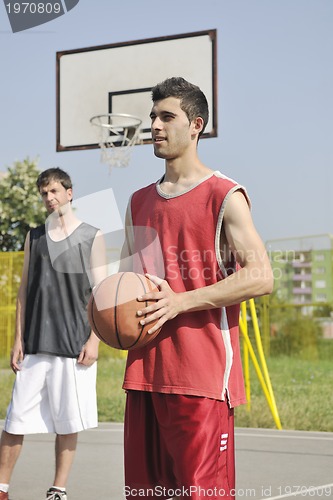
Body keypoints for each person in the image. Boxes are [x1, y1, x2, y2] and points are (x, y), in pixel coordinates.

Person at [120, 77, 274, 499]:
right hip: (144, 374)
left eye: (167, 116)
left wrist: (180, 302)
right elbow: (126, 282)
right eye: (153, 116)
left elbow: (261, 276)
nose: (155, 125)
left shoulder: (224, 194)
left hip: (200, 377)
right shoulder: (138, 200)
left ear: (196, 125)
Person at [0, 168, 106, 500]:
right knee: (14, 421)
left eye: (55, 191)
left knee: (67, 422)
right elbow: (23, 292)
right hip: (35, 344)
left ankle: (58, 488)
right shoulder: (34, 236)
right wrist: (18, 339)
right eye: (44, 193)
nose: (49, 198)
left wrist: (94, 340)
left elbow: (101, 294)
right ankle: (1, 488)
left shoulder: (92, 235)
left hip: (74, 344)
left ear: (70, 193)